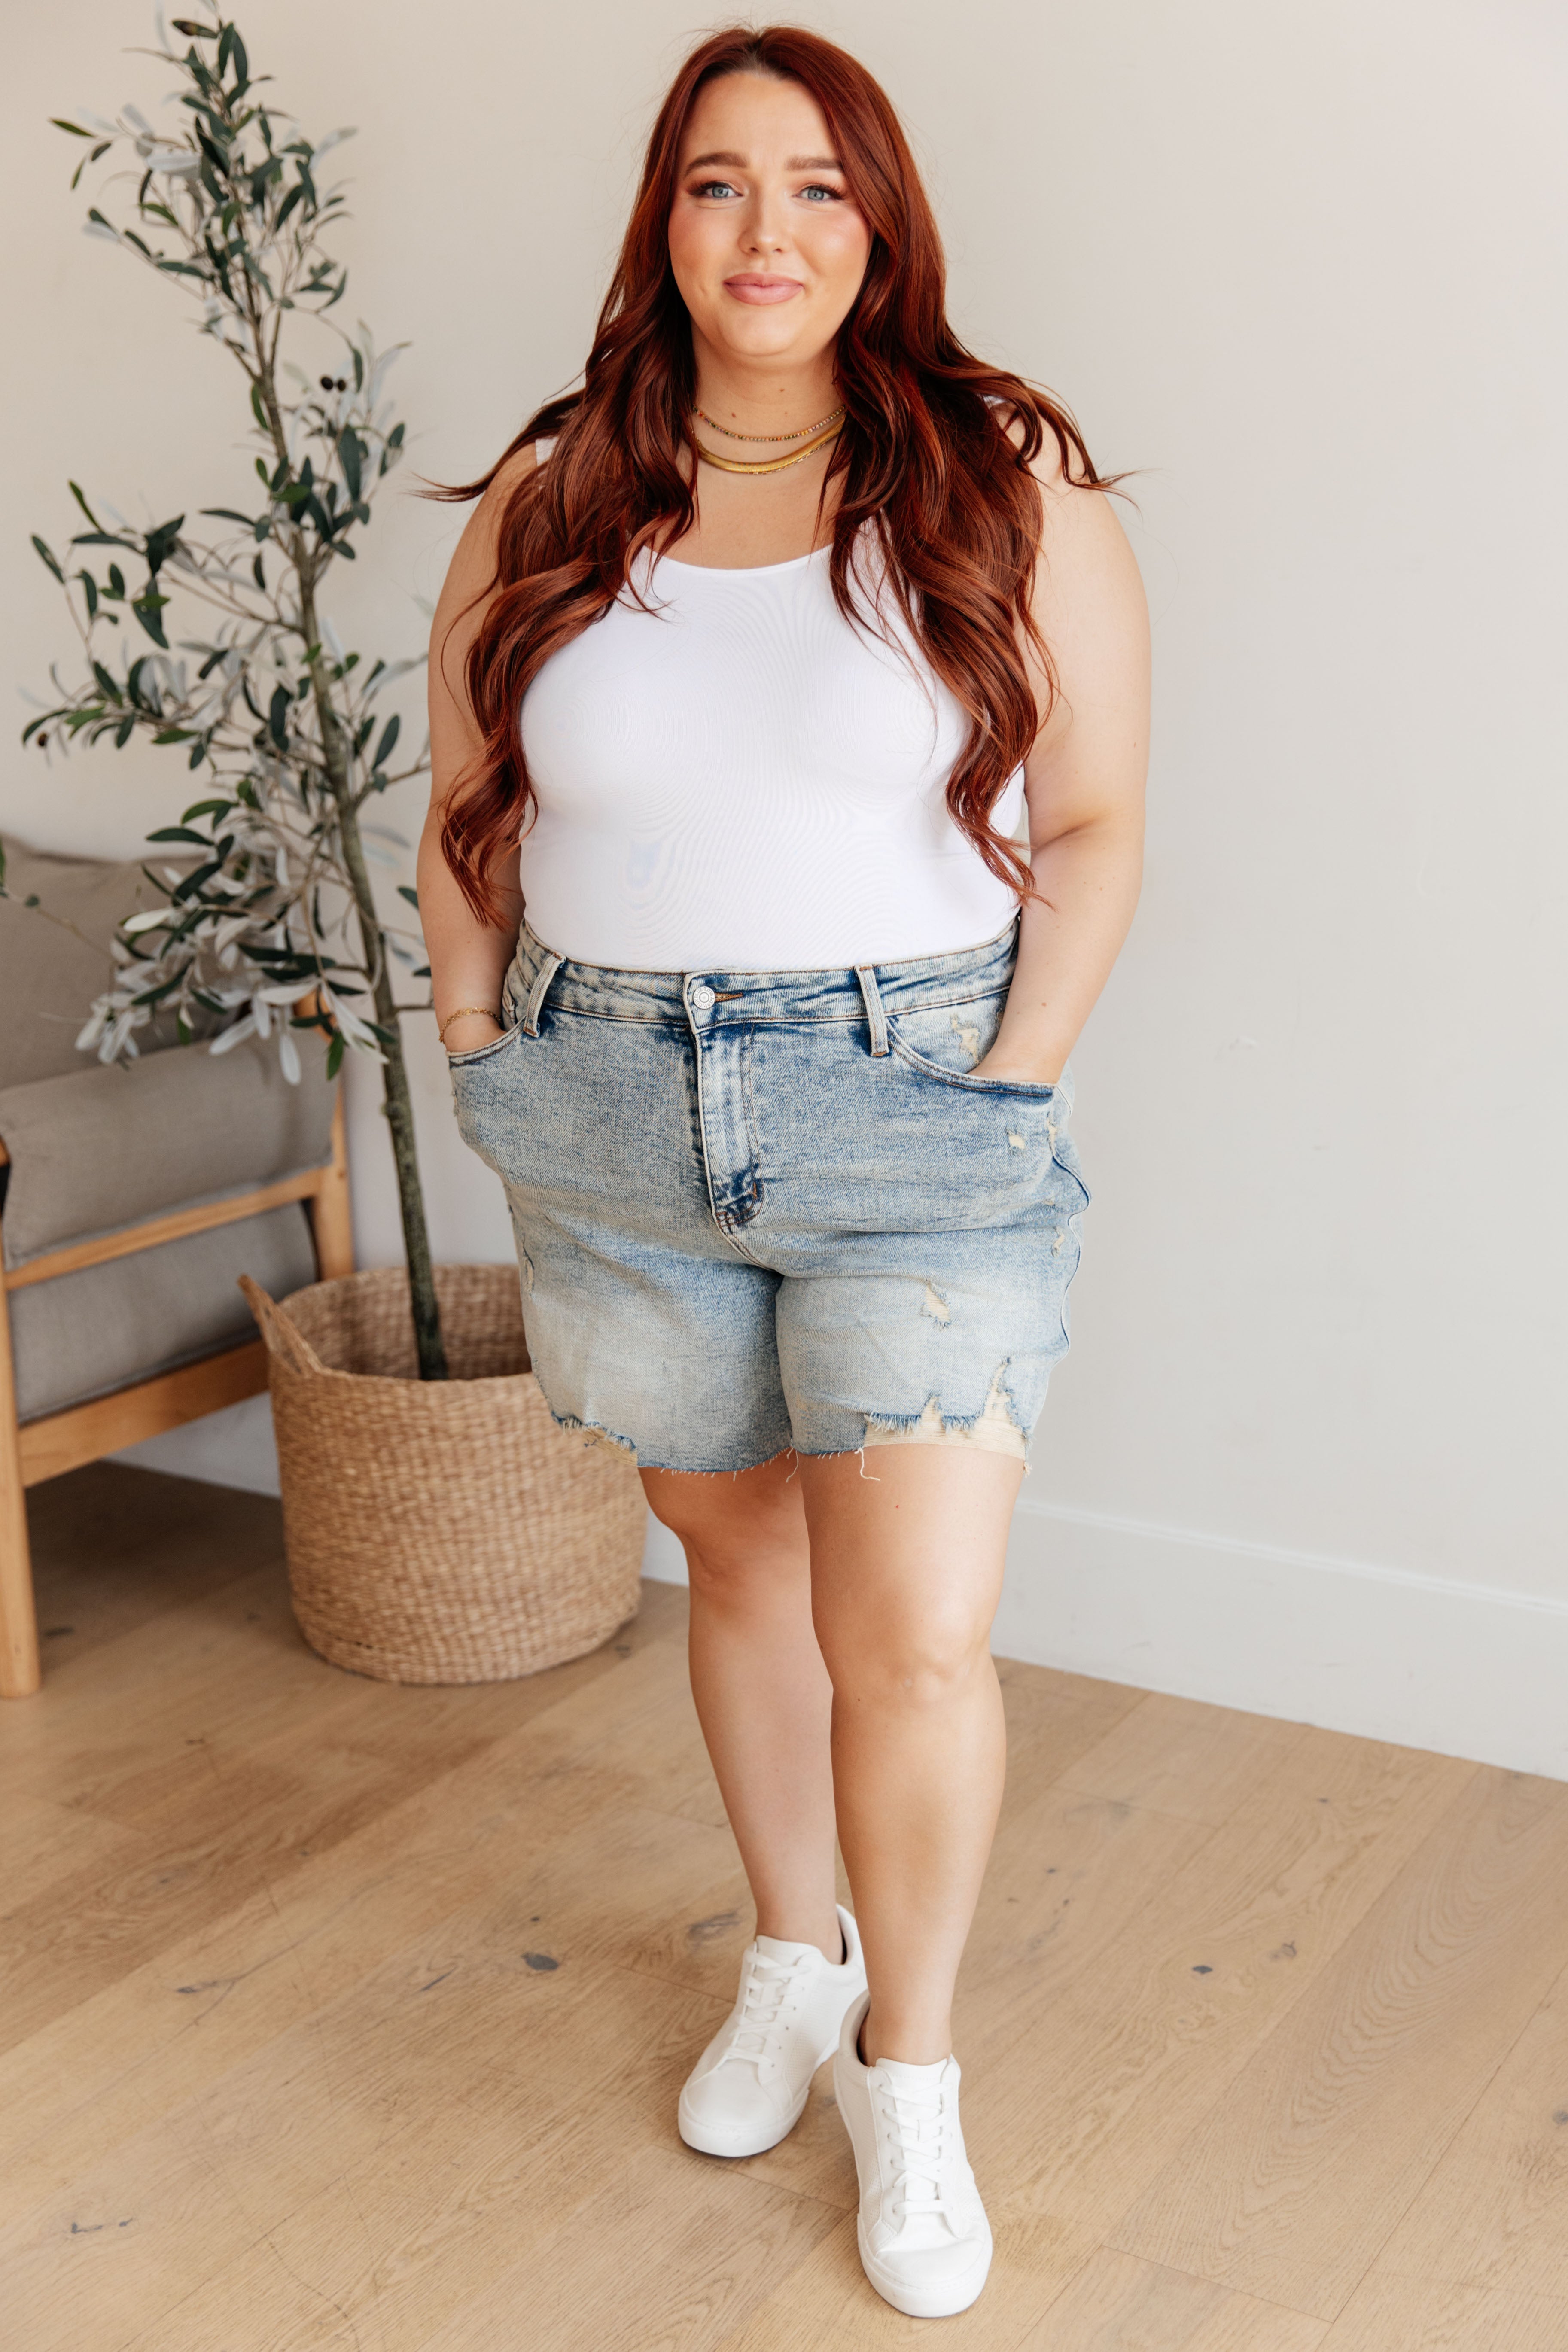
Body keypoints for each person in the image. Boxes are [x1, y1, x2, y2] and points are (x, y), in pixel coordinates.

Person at [419, 24, 1147, 2320]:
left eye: (819, 186)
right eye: (720, 183)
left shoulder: (1000, 475)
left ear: (880, 222)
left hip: (909, 1104)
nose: (768, 230)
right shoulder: (559, 485)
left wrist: (1009, 1080)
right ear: (663, 219)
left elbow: (1096, 819)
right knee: (736, 1568)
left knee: (909, 1629)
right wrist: (481, 1048)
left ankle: (908, 2076)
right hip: (608, 1108)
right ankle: (792, 1954)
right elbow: (464, 802)